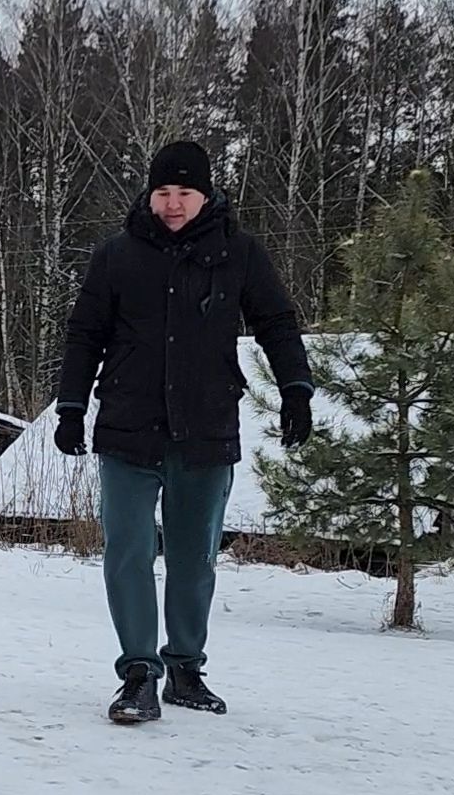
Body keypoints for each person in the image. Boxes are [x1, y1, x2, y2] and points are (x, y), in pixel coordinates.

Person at [54, 140, 313, 726]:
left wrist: (296, 388)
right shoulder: (117, 255)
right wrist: (71, 406)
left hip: (204, 429)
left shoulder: (238, 253)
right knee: (129, 552)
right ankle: (140, 674)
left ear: (206, 194)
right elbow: (83, 332)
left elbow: (276, 319)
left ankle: (186, 670)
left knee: (195, 557)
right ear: (150, 194)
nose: (173, 204)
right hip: (128, 428)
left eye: (185, 193)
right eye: (163, 193)